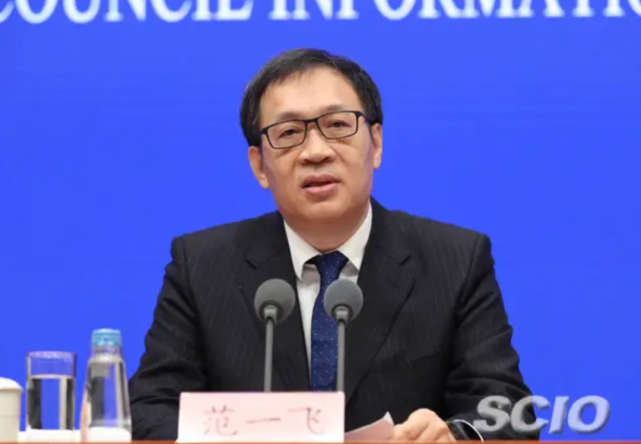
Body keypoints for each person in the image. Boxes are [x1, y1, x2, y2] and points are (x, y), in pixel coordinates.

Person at [128, 48, 538, 441]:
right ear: (259, 166)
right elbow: (149, 407)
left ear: (376, 144)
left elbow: (507, 411)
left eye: (338, 126)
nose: (315, 151)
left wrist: (454, 436)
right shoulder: (202, 266)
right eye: (289, 133)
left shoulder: (455, 259)